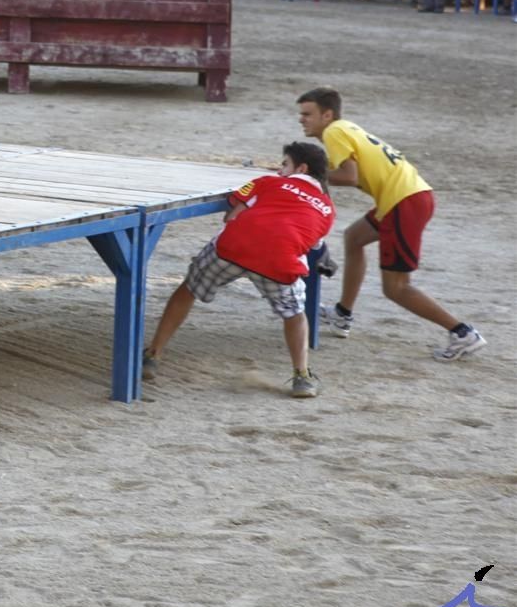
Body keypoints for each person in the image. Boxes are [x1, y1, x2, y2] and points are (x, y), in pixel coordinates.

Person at [296, 87, 487, 360]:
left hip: (404, 202)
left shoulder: (333, 132)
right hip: (408, 196)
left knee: (396, 288)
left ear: (327, 115)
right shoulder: (345, 127)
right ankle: (342, 313)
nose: (302, 119)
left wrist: (306, 176)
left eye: (307, 114)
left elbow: (349, 177)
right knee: (354, 237)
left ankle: (463, 333)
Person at [143, 141, 335, 399]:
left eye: (284, 164)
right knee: (295, 314)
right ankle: (302, 376)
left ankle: (153, 355)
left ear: (301, 168)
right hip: (279, 262)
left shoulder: (268, 182)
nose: (279, 170)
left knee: (188, 290)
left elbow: (231, 216)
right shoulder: (328, 209)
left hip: (234, 248)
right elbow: (311, 244)